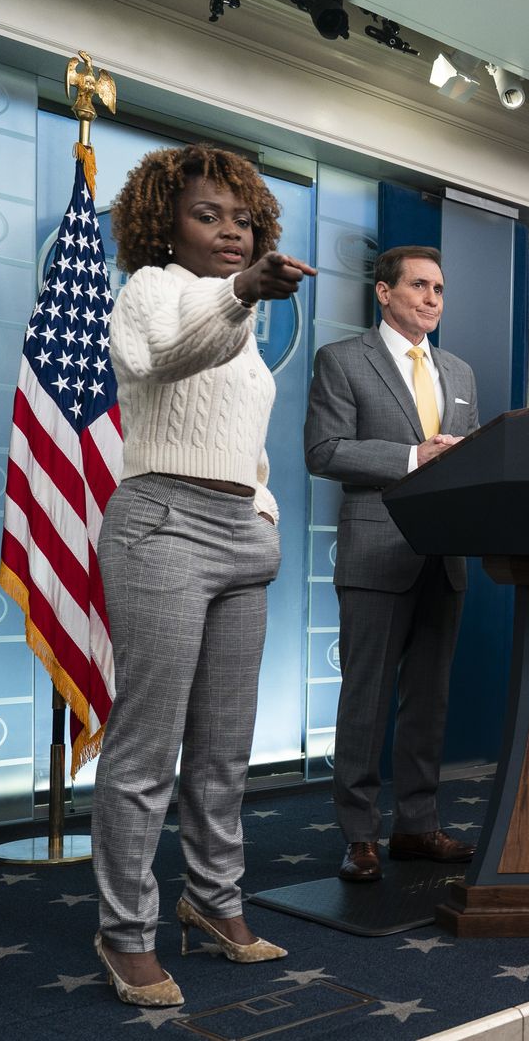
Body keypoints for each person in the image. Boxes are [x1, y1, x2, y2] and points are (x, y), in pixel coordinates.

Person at [92, 144, 315, 1007]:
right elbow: (160, 362)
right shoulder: (152, 289)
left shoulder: (239, 317)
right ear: (165, 223)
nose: (230, 229)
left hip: (237, 538)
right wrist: (241, 290)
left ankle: (214, 902)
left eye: (242, 216)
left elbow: (238, 433)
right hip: (161, 526)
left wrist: (262, 513)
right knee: (147, 750)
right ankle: (125, 934)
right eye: (207, 214)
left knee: (224, 749)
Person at [305, 245, 480, 882]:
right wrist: (413, 458)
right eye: (419, 286)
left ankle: (416, 826)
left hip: (444, 556)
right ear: (384, 293)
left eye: (439, 288)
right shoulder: (343, 360)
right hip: (376, 552)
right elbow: (324, 451)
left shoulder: (459, 372)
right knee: (365, 702)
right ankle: (358, 834)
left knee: (428, 703)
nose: (432, 298)